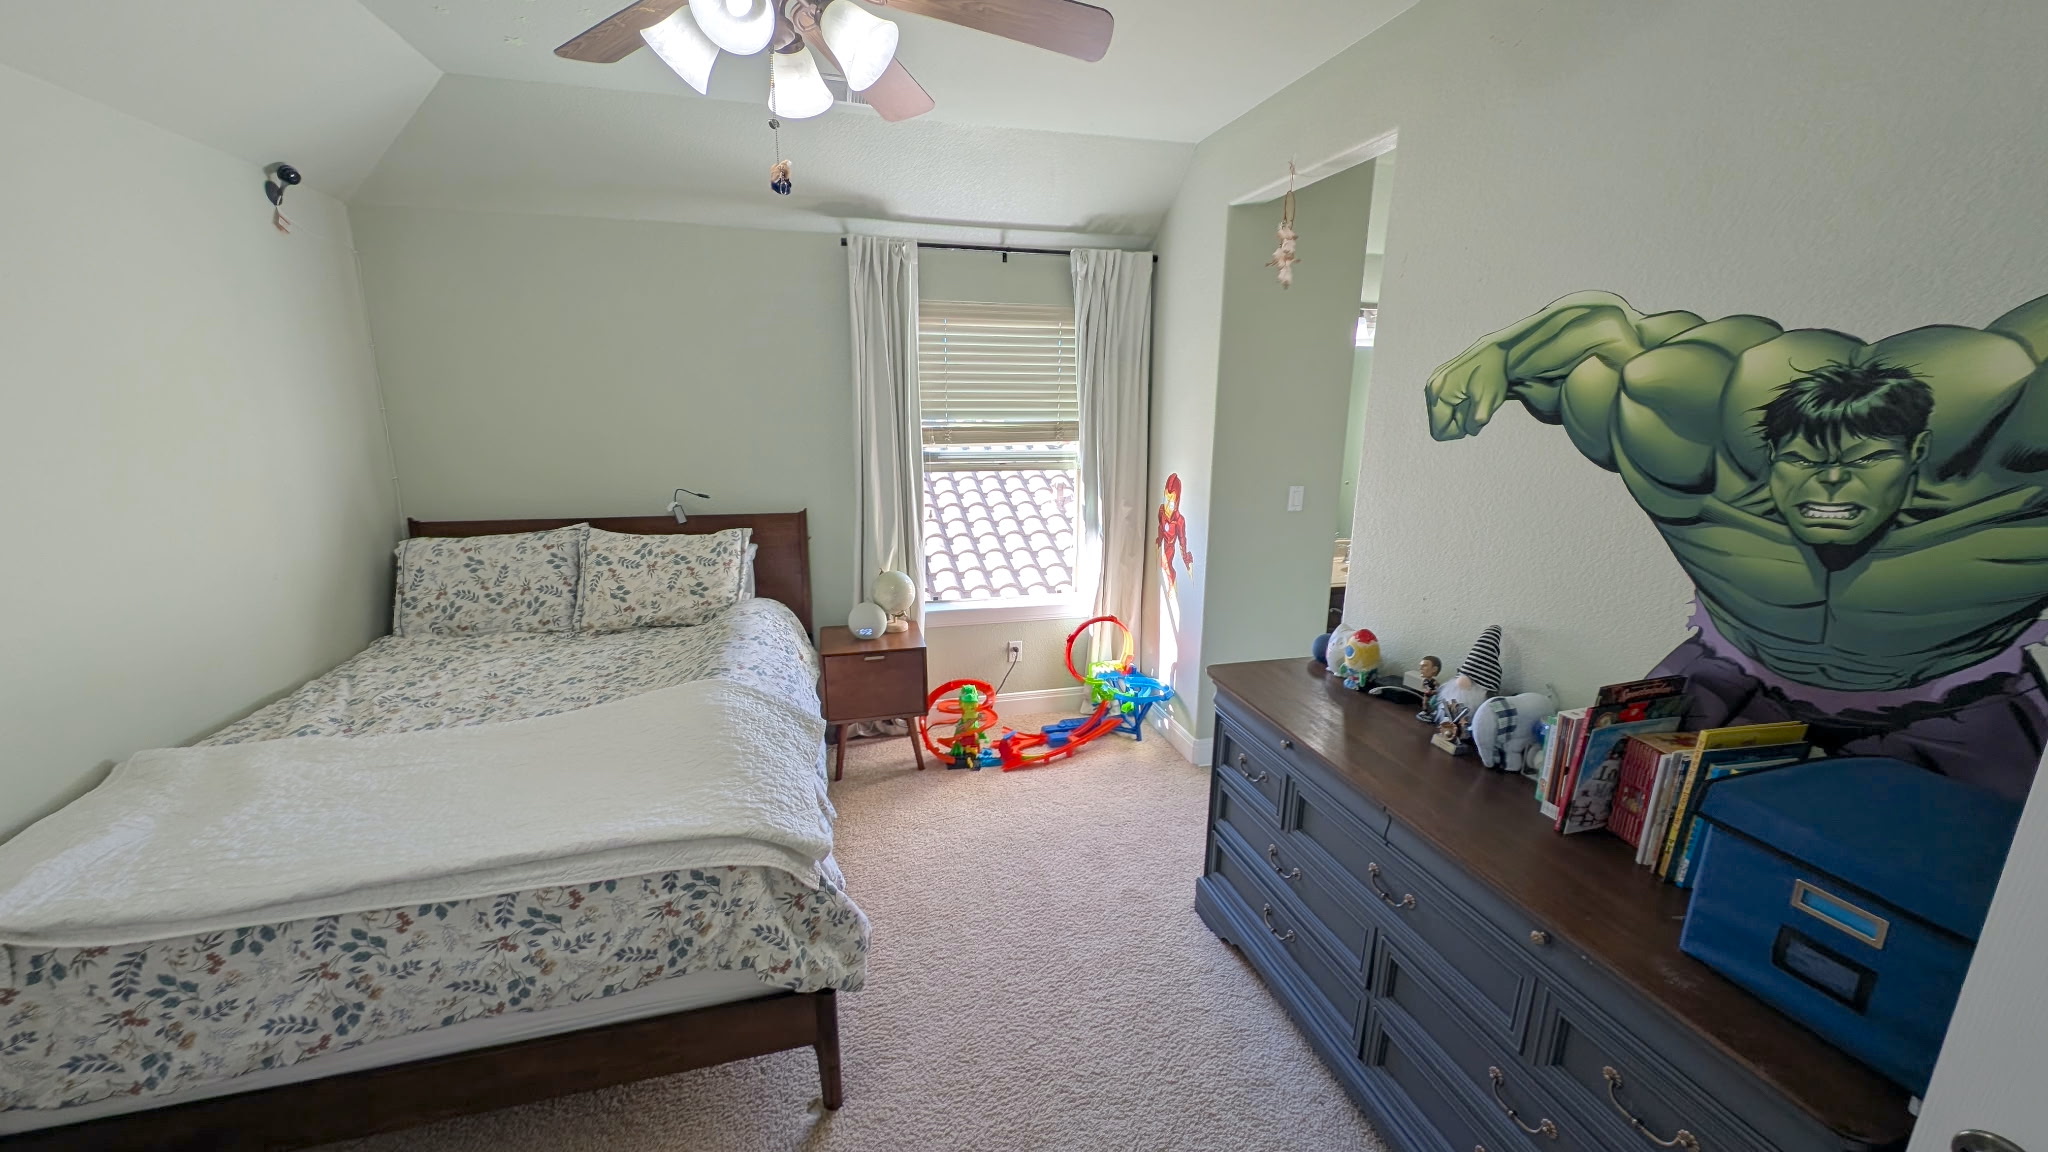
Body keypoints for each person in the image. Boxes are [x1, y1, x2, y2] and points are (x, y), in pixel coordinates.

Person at [1425, 290, 2048, 797]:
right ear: (1767, 456)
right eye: (1803, 461)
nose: (1831, 482)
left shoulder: (2003, 476)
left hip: (1960, 712)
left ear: (1916, 453)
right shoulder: (1691, 461)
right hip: (1730, 681)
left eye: (1866, 460)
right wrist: (1500, 355)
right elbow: (1611, 338)